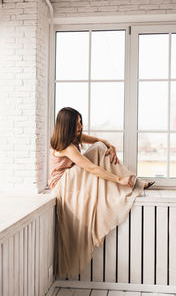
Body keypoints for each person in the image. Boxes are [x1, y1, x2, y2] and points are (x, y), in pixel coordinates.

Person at [48, 107, 155, 278]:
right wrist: (118, 179)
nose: (80, 127)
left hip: (72, 177)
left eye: (80, 122)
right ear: (66, 126)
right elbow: (90, 167)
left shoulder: (75, 136)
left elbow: (99, 140)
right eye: (76, 124)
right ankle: (129, 182)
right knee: (98, 152)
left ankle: (133, 182)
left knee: (99, 147)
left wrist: (111, 147)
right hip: (61, 184)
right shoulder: (66, 146)